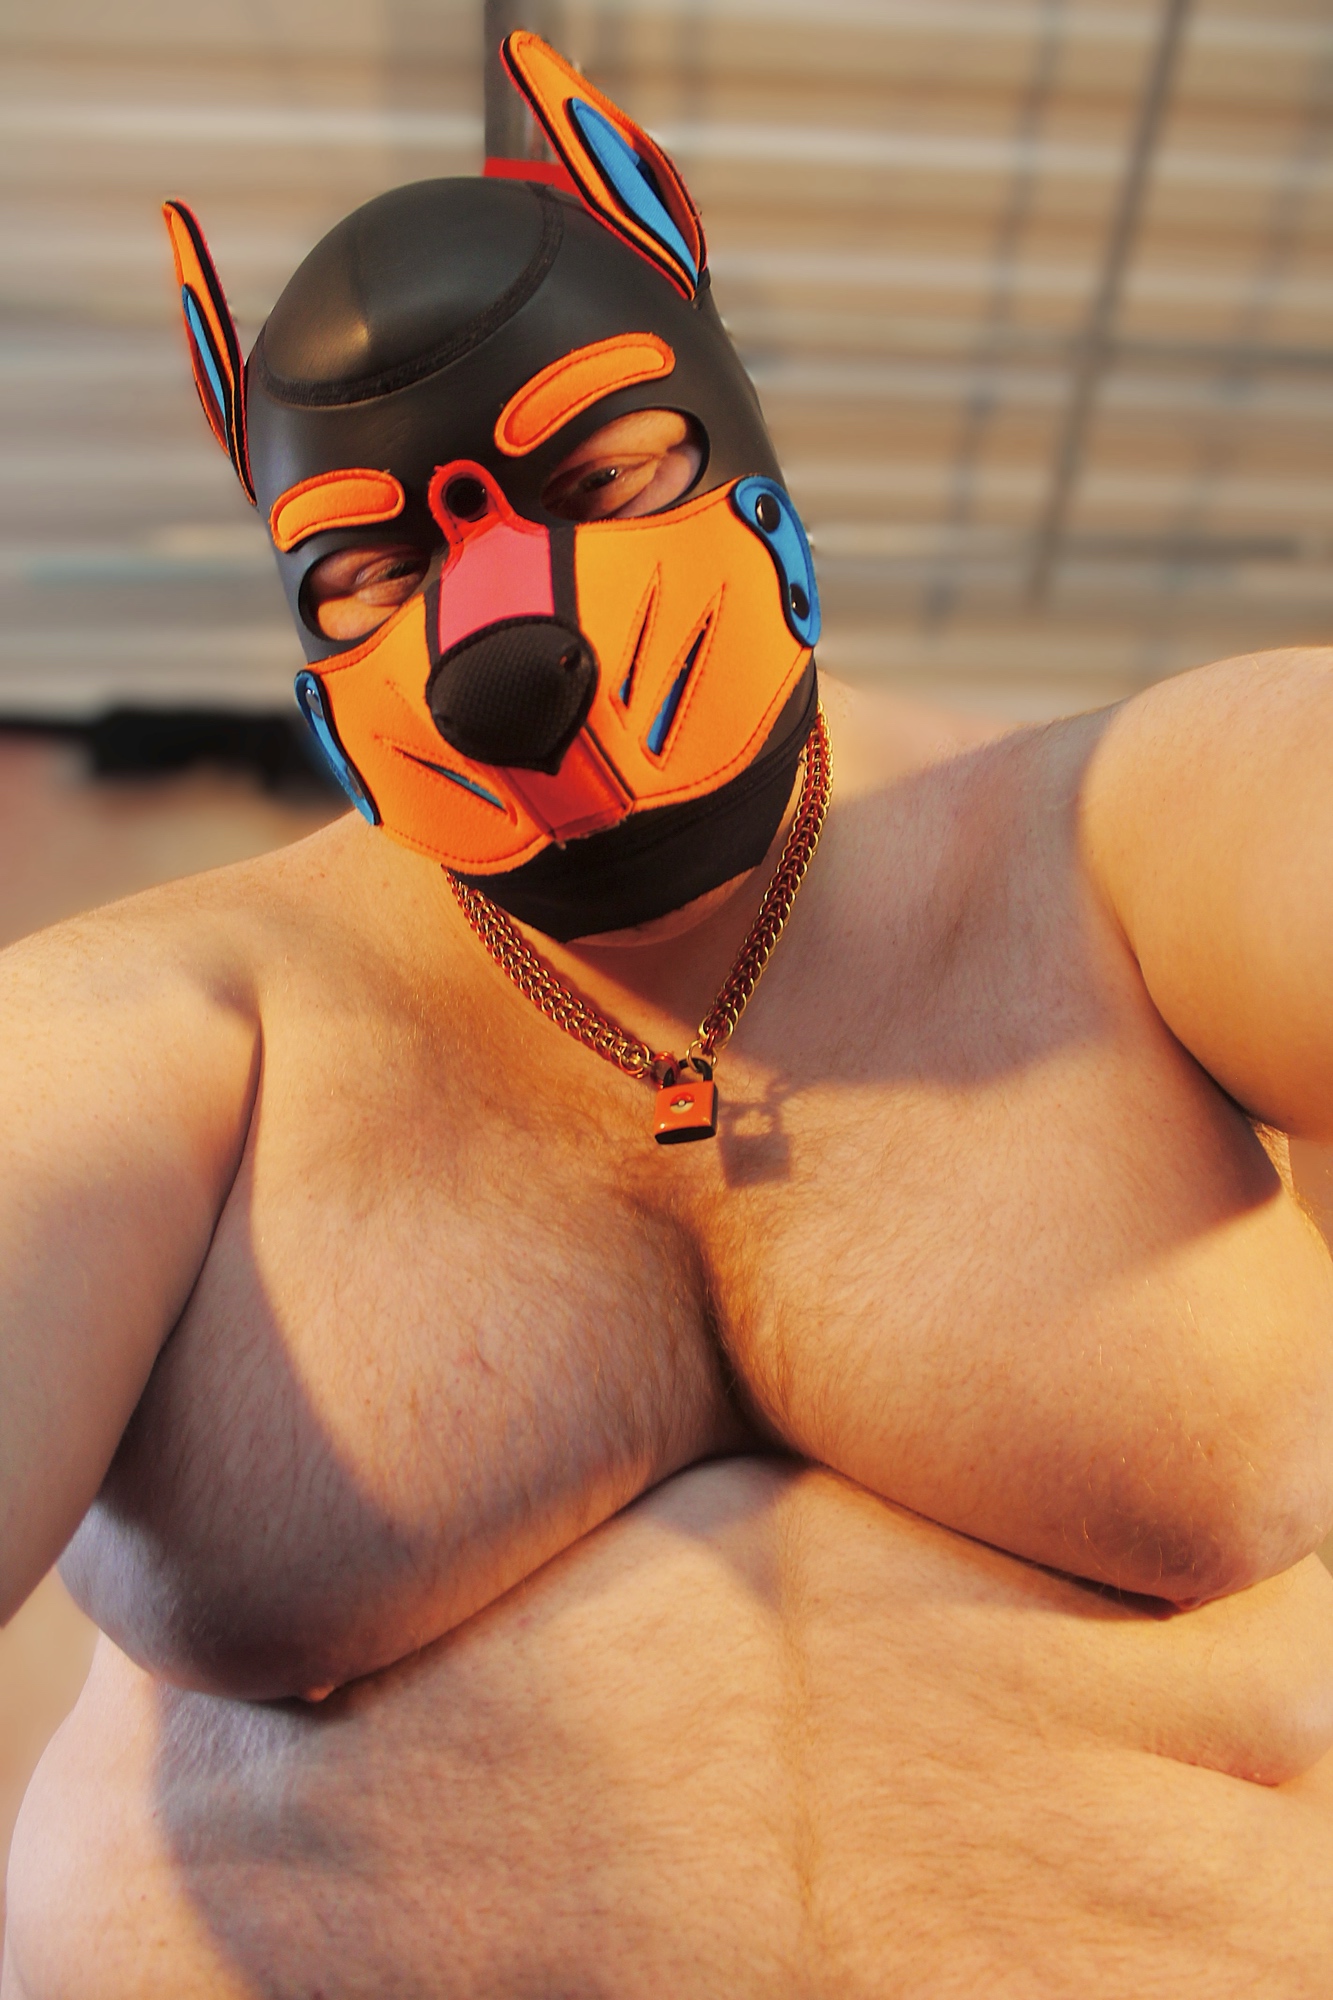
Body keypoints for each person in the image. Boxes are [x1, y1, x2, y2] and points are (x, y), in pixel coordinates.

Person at [5, 35, 1333, 1995]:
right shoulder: (168, 1019)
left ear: (736, 438)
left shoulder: (1123, 837)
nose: (500, 637)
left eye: (604, 475)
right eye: (369, 570)